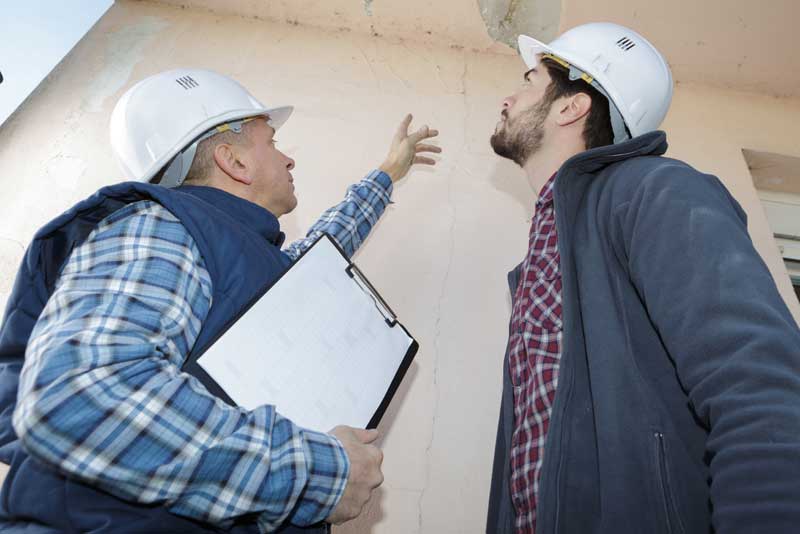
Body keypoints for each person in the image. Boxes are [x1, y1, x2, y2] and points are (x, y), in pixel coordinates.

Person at [0, 68, 440, 533]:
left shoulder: (237, 257)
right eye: (271, 142)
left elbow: (329, 244)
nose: (289, 160)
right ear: (235, 162)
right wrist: (321, 473)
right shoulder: (160, 227)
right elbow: (84, 395)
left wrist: (389, 172)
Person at [485, 22, 800, 534]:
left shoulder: (656, 190)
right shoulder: (545, 256)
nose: (508, 97)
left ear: (571, 106)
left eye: (528, 80)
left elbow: (758, 387)